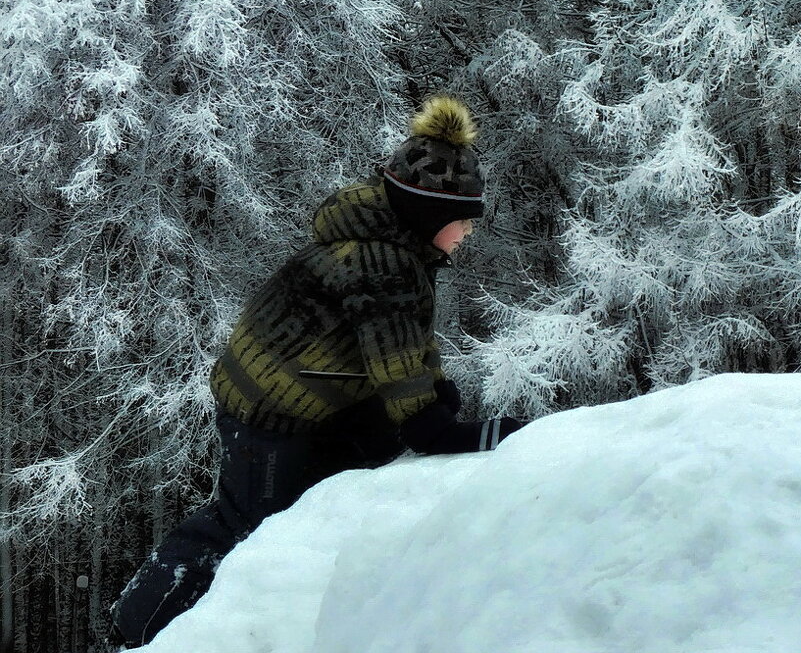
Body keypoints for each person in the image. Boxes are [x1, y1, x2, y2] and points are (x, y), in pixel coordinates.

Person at [111, 95, 525, 646]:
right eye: (461, 219)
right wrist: (489, 432)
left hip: (300, 388)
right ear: (430, 216)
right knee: (243, 523)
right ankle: (138, 631)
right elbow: (418, 407)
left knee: (343, 476)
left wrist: (434, 393)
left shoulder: (389, 244)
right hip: (270, 409)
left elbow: (401, 347)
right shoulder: (385, 265)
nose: (469, 232)